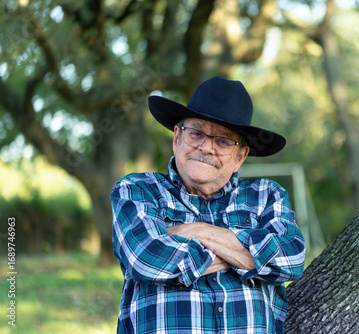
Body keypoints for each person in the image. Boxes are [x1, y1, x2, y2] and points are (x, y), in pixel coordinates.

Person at [111, 75, 306, 334]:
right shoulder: (138, 190)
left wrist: (195, 232)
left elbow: (291, 258)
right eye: (196, 133)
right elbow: (147, 260)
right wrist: (251, 257)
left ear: (240, 157)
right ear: (177, 138)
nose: (206, 147)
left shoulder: (267, 195)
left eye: (223, 141)